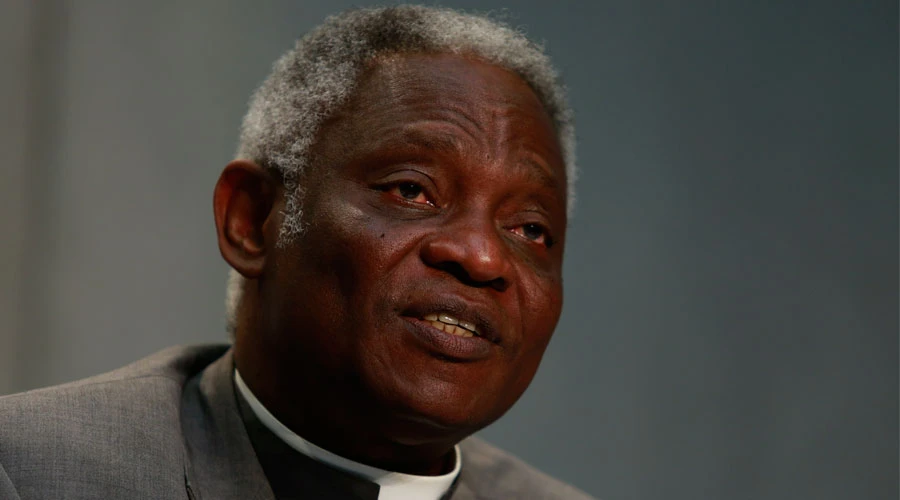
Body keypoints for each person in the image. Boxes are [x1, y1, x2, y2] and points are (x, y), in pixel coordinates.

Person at [0, 6, 593, 499]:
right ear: (253, 220)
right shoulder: (31, 471)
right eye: (411, 190)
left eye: (530, 229)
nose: (482, 256)